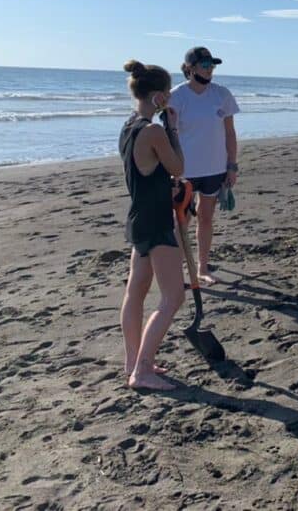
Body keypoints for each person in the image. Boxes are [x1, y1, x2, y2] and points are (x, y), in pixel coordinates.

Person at [119, 60, 185, 390]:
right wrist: (172, 127)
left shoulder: (128, 127)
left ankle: (133, 361)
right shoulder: (154, 130)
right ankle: (142, 370)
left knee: (136, 293)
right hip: (158, 220)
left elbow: (146, 174)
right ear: (158, 97)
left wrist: (164, 185)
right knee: (173, 297)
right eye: (168, 94)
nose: (171, 98)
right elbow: (178, 165)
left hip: (138, 217)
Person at [169, 46, 239, 286]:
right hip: (185, 171)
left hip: (215, 168)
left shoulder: (221, 94)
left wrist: (232, 165)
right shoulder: (177, 96)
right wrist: (171, 170)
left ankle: (202, 268)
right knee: (182, 221)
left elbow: (230, 133)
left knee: (206, 218)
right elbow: (170, 135)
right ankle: (175, 271)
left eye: (212, 65)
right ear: (190, 68)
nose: (210, 70)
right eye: (205, 65)